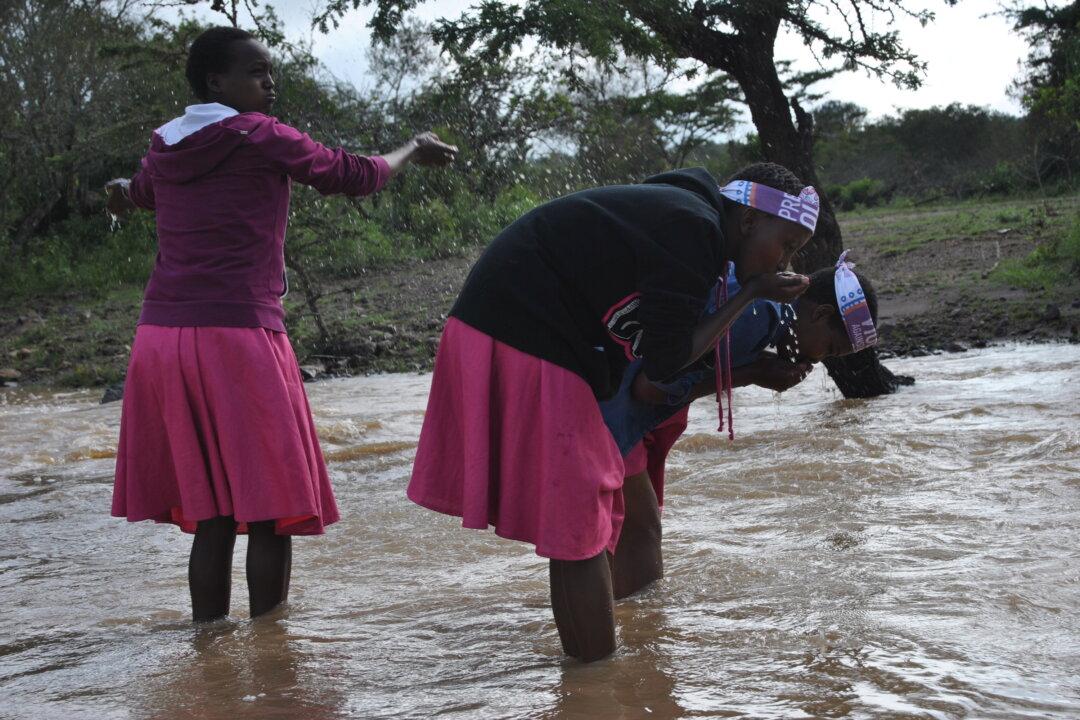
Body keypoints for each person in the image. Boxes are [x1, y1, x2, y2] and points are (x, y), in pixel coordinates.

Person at [107, 26, 456, 622]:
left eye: (269, 71)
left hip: (160, 339)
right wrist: (411, 149)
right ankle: (273, 657)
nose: (269, 82)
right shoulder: (259, 135)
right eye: (256, 71)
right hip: (238, 336)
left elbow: (135, 193)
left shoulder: (166, 145)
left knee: (213, 513)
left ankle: (209, 649)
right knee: (270, 507)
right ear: (216, 81)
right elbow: (355, 175)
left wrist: (114, 193)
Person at [408, 162, 819, 661]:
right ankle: (597, 688)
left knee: (588, 519)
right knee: (578, 523)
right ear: (750, 221)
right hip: (523, 326)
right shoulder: (696, 228)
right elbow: (666, 362)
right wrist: (752, 292)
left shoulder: (690, 218)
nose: (785, 262)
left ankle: (595, 685)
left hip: (524, 326)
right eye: (788, 245)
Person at [604, 256, 881, 599]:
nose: (817, 359)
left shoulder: (763, 307)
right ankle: (631, 640)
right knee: (640, 528)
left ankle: (629, 626)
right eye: (830, 348)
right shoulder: (758, 316)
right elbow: (653, 389)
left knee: (626, 526)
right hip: (618, 407)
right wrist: (749, 375)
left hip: (624, 399)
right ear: (820, 314)